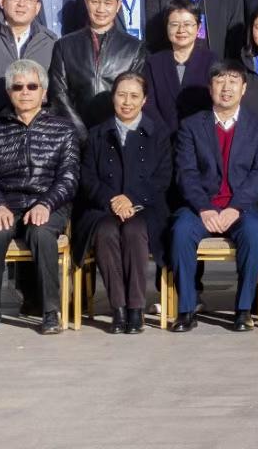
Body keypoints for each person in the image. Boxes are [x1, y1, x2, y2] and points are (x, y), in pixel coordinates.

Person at [0, 59, 79, 335]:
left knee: (41, 234)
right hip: (7, 206)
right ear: (9, 92)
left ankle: (50, 312)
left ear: (44, 92)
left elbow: (69, 178)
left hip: (48, 205)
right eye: (18, 87)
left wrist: (46, 204)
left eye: (32, 86)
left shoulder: (64, 128)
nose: (25, 92)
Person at [167, 60, 258, 332]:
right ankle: (186, 309)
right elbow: (186, 173)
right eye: (220, 81)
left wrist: (236, 207)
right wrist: (204, 208)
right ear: (210, 87)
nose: (226, 88)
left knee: (253, 233)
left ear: (244, 88)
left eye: (233, 81)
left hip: (241, 207)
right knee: (180, 232)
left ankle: (244, 309)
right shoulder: (191, 126)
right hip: (201, 207)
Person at [74, 71, 172, 334]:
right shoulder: (97, 134)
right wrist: (113, 201)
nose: (127, 102)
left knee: (134, 230)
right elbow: (87, 176)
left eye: (134, 96)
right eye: (121, 95)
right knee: (105, 232)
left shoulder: (158, 133)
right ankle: (118, 308)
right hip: (104, 207)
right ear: (113, 98)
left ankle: (136, 308)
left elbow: (163, 176)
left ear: (144, 100)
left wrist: (132, 199)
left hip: (145, 207)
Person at [48, 0, 148, 132]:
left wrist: (110, 132)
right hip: (73, 134)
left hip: (116, 134)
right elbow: (58, 94)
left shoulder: (134, 48)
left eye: (108, 3)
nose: (101, 9)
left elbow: (134, 94)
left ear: (118, 5)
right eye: (95, 2)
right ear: (86, 2)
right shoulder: (64, 45)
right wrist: (81, 133)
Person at [142, 1, 213, 132]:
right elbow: (148, 104)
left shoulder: (212, 61)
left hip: (200, 136)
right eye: (174, 24)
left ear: (198, 27)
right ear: (166, 27)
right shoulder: (153, 63)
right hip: (162, 137)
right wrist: (163, 134)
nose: (181, 30)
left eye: (187, 24)